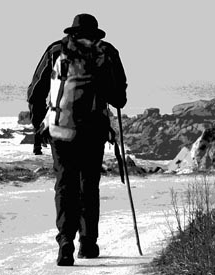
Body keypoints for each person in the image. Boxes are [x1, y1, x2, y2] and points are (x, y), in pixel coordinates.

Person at [27, 13, 127, 266]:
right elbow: (119, 99)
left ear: (72, 31)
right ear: (96, 33)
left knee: (65, 184)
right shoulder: (107, 52)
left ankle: (64, 241)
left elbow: (34, 92)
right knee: (88, 185)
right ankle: (88, 243)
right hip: (93, 130)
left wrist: (39, 126)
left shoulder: (55, 51)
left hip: (61, 128)